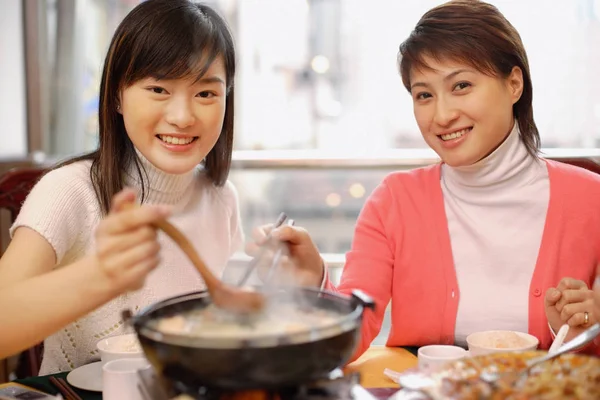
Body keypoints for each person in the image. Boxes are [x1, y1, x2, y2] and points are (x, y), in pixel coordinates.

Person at [247, 0, 600, 360]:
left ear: (513, 84)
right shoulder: (395, 201)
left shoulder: (592, 200)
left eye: (461, 85)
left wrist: (582, 328)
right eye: (424, 95)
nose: (442, 115)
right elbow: (353, 335)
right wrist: (313, 284)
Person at [0, 0, 242, 373]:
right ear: (116, 96)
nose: (182, 117)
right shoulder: (69, 190)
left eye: (206, 94)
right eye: (159, 89)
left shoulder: (221, 199)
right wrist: (100, 276)